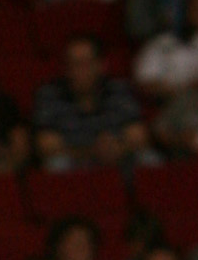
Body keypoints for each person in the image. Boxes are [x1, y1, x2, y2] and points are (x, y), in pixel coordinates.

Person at [35, 36, 150, 168]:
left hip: (119, 157)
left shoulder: (118, 90)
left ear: (101, 65)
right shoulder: (51, 94)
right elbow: (46, 145)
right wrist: (91, 152)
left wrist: (118, 148)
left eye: (85, 63)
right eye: (73, 64)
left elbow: (139, 135)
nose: (79, 70)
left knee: (148, 158)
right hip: (74, 162)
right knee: (57, 164)